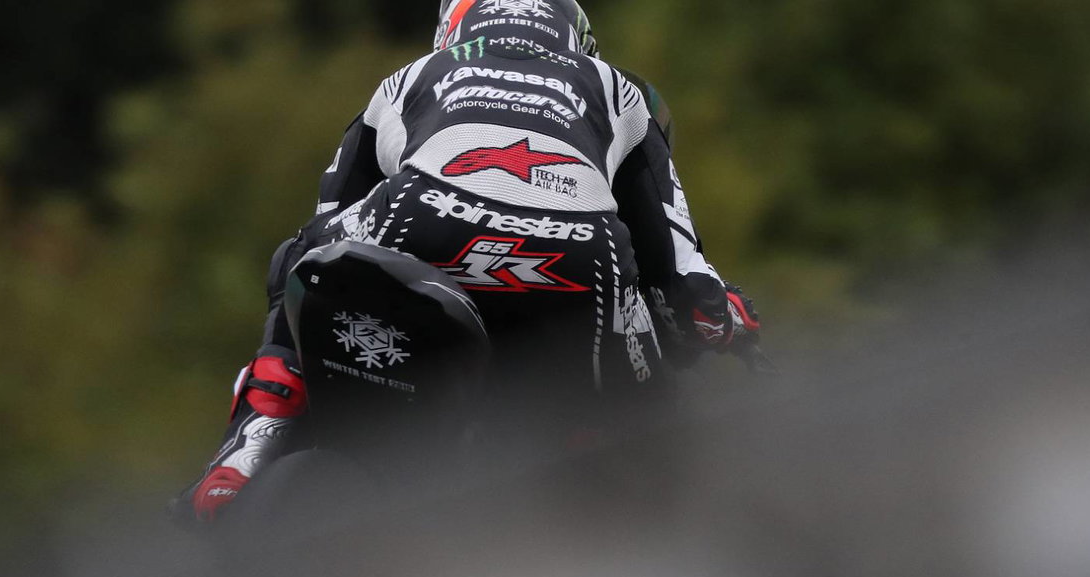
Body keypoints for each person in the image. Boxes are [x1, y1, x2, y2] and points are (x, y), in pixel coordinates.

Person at [182, 0, 759, 522]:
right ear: (578, 39)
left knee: (300, 257)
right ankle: (648, 518)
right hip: (576, 257)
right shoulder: (619, 89)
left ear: (452, 29)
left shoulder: (410, 77)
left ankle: (248, 447)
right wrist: (728, 317)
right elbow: (684, 274)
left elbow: (328, 226)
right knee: (650, 425)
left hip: (418, 218)